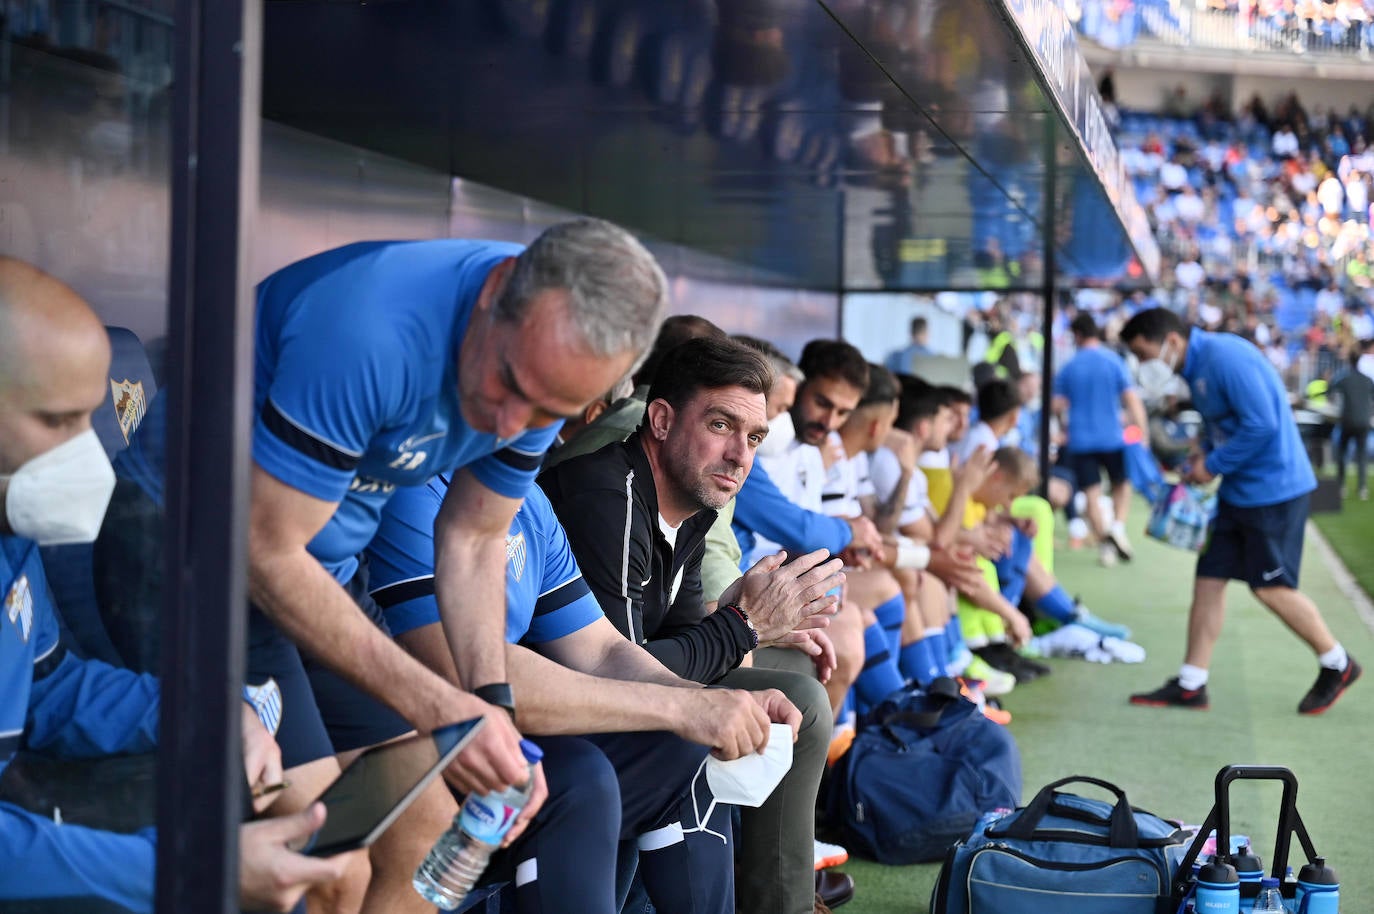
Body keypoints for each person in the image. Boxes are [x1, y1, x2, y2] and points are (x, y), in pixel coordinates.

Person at [245, 219, 666, 910]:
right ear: (495, 291)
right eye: (510, 384)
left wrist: (489, 709)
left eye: (547, 413)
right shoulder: (371, 329)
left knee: (424, 826)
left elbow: (473, 537)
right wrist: (445, 709)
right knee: (325, 870)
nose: (507, 426)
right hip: (202, 563)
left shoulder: (537, 356)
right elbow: (265, 553)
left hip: (322, 576)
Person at [0, 257, 359, 913]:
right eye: (56, 422)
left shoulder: (12, 534)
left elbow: (48, 688)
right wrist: (184, 869)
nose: (89, 454)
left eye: (90, 419)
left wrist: (207, 715)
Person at [367, 481, 800, 913]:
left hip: (496, 740)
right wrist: (685, 706)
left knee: (690, 745)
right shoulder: (414, 492)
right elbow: (465, 672)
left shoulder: (529, 499)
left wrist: (706, 703)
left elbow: (600, 650)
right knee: (579, 774)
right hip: (408, 750)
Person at [541, 337, 842, 914]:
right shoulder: (607, 494)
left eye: (753, 437)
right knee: (699, 729)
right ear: (660, 419)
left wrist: (741, 620)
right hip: (560, 713)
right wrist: (744, 624)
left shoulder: (694, 500)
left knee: (797, 697)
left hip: (617, 688)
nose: (740, 455)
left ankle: (781, 902)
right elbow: (617, 672)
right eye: (722, 425)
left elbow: (680, 641)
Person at [1121, 308, 1361, 715]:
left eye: (1145, 356)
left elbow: (1261, 425)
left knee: (1271, 586)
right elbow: (1226, 427)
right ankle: (1191, 683)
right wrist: (1204, 454)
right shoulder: (1198, 364)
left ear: (1171, 341)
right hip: (1240, 492)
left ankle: (1337, 662)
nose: (1144, 366)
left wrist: (1210, 465)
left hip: (1272, 491)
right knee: (1209, 579)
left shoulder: (1225, 358)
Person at [1052, 312, 1148, 567]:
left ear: (1078, 335)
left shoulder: (1070, 366)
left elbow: (1057, 404)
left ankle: (1107, 543)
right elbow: (1131, 400)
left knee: (1092, 493)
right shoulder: (1113, 361)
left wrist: (1062, 424)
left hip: (1081, 439)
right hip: (1111, 437)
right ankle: (1117, 528)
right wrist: (1143, 433)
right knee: (1121, 485)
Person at [1327, 351, 1374, 500]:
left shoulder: (1344, 378)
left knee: (1342, 453)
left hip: (1347, 421)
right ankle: (1362, 488)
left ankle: (1341, 486)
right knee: (1361, 455)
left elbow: (1330, 391)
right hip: (1364, 421)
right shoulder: (1367, 380)